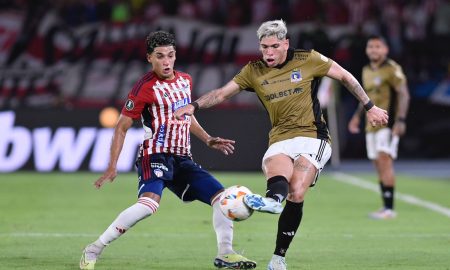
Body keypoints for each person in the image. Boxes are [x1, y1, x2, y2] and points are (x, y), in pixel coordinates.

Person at [174, 20, 389, 270]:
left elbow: (345, 76)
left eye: (274, 46)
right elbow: (222, 93)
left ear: (286, 43)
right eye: (264, 47)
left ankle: (278, 258)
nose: (269, 53)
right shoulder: (253, 71)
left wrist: (370, 107)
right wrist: (194, 106)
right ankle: (273, 201)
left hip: (313, 137)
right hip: (279, 138)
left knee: (296, 193)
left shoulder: (308, 59)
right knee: (276, 176)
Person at [79, 31, 257, 270]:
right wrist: (112, 165)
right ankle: (94, 249)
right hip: (155, 154)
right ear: (149, 58)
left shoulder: (185, 80)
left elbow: (187, 116)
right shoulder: (144, 87)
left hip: (183, 158)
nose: (166, 61)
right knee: (148, 206)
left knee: (222, 199)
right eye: (160, 56)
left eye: (170, 55)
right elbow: (121, 126)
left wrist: (207, 139)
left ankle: (225, 254)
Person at [348, 35, 410, 220]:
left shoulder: (392, 69)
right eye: (371, 47)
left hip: (387, 124)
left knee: (385, 162)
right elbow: (366, 98)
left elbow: (404, 95)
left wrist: (400, 120)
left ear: (385, 50)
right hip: (371, 125)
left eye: (377, 47)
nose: (374, 50)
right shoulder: (366, 69)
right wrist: (356, 117)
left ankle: (390, 210)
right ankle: (385, 207)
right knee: (377, 165)